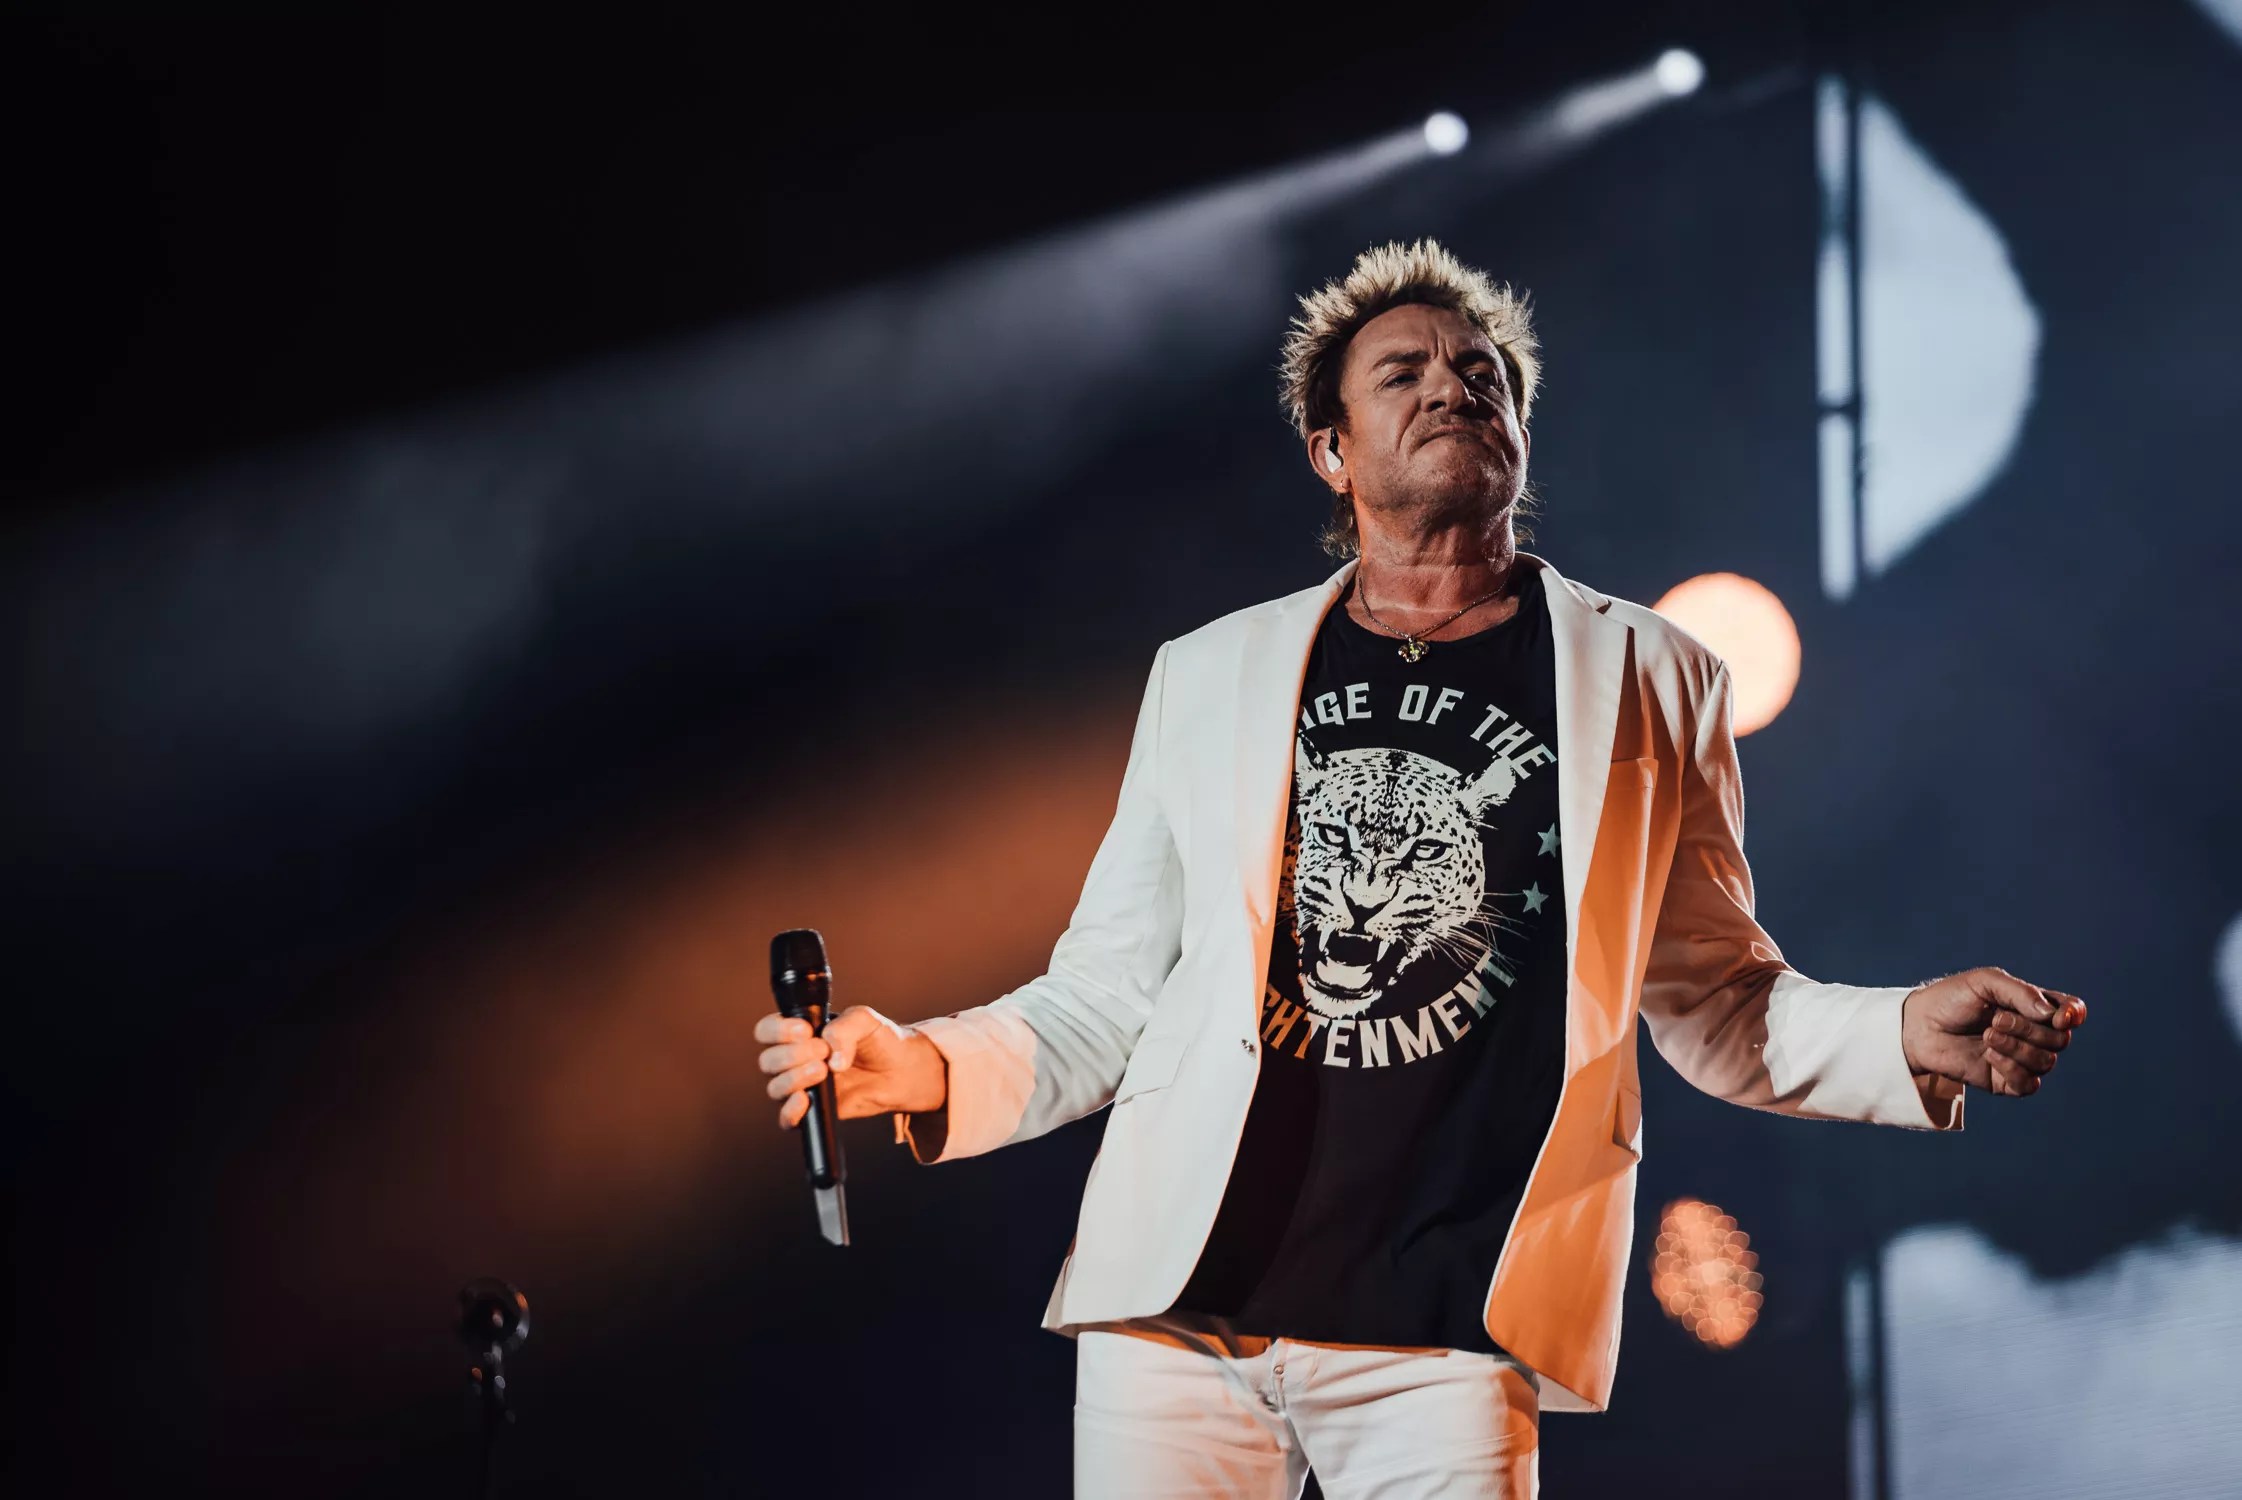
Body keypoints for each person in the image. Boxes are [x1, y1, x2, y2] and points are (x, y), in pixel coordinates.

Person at [752, 238, 2087, 1498]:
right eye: (1403, 373)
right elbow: (1108, 992)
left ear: (1518, 433)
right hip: (1178, 1318)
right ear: (1331, 451)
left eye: (1480, 374)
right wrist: (923, 1065)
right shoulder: (1210, 672)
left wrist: (1900, 1031)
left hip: (1448, 1328)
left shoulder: (1650, 675)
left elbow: (1717, 1001)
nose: (1451, 387)